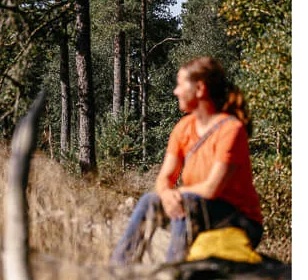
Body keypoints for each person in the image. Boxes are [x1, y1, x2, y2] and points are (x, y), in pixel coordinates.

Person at [110, 56, 263, 265]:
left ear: (199, 88)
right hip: (197, 208)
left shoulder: (231, 129)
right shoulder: (183, 127)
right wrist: (166, 193)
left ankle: (174, 275)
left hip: (240, 220)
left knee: (186, 202)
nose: (176, 91)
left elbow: (211, 189)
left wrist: (176, 194)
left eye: (181, 84)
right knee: (149, 201)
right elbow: (165, 176)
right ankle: (118, 269)